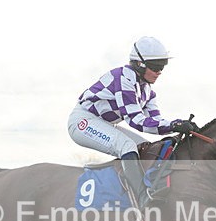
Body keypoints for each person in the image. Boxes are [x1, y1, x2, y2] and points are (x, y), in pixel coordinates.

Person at [67, 36, 198, 207]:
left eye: (162, 67)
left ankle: (149, 187)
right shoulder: (123, 79)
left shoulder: (148, 91)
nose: (159, 72)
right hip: (83, 121)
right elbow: (137, 121)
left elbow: (155, 120)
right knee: (127, 146)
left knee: (147, 147)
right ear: (139, 64)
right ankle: (142, 197)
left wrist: (178, 125)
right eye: (155, 67)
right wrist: (173, 125)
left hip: (104, 123)